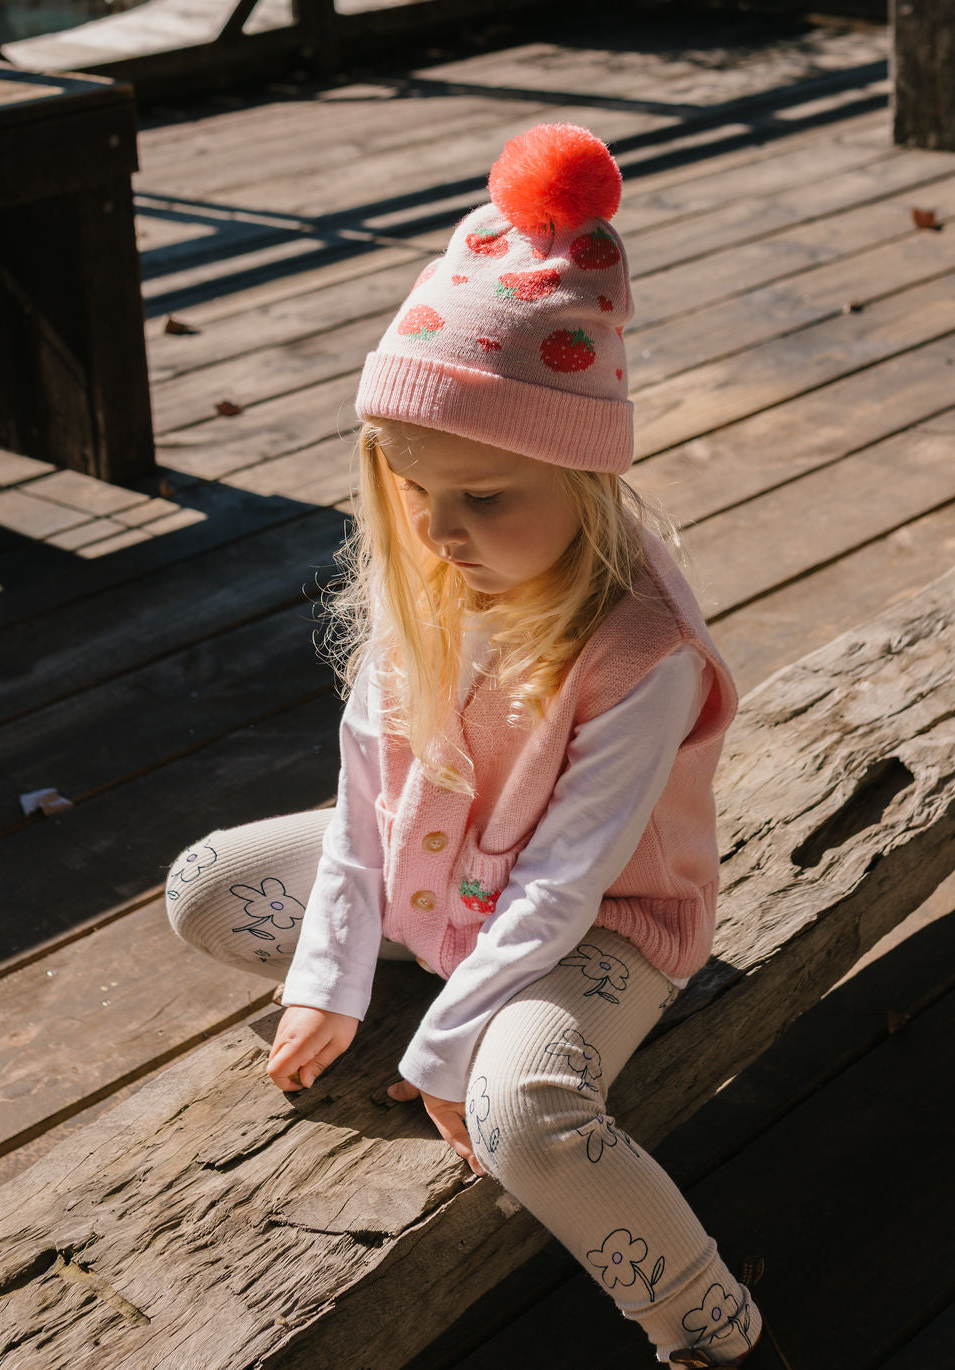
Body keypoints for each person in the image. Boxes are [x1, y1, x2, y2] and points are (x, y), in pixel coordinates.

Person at [166, 123, 791, 1368]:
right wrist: (330, 977)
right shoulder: (427, 582)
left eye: (484, 498)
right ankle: (436, 980)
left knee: (525, 1115)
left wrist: (448, 1046)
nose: (440, 532)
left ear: (583, 477)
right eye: (413, 490)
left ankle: (715, 1335)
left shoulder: (641, 654)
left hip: (603, 920)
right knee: (207, 888)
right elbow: (361, 807)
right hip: (440, 877)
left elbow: (563, 879)